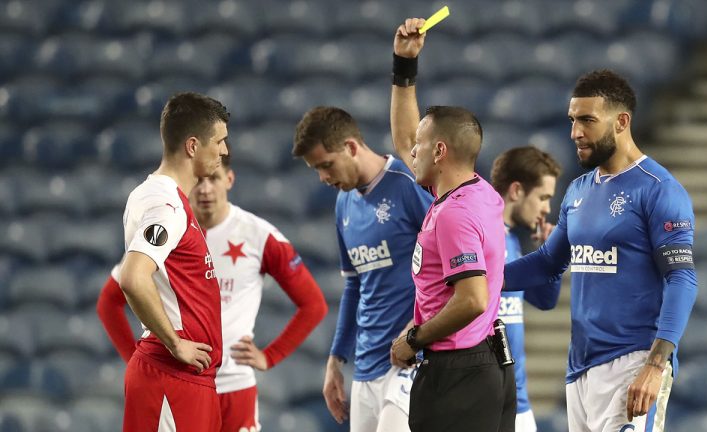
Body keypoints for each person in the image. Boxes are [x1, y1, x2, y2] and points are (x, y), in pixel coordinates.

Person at [503, 70, 698, 432]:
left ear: (621, 122)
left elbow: (682, 279)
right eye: (573, 120)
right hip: (580, 370)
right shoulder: (578, 191)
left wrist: (656, 365)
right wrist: (478, 279)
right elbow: (547, 262)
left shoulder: (659, 190)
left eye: (587, 120)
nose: (576, 132)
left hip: (634, 363)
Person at [98, 154, 329, 431]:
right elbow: (109, 302)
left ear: (229, 180)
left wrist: (270, 355)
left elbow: (314, 304)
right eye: (200, 181)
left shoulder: (258, 234)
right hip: (179, 379)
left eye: (215, 179)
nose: (206, 189)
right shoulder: (170, 228)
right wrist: (135, 357)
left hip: (234, 387)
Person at [388, 18, 515, 432]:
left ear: (440, 151)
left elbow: (472, 298)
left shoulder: (455, 213)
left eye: (421, 148)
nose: (411, 152)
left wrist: (414, 337)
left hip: (457, 375)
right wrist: (404, 67)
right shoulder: (476, 193)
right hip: (484, 365)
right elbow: (409, 138)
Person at [292, 106, 433, 432]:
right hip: (366, 365)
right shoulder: (344, 203)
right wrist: (336, 359)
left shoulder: (408, 184)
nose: (324, 178)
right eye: (316, 170)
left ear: (352, 146)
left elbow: (445, 266)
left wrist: (417, 329)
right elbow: (355, 286)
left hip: (411, 359)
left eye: (326, 165)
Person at [118, 92, 229, 431]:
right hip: (171, 380)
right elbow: (133, 277)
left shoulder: (154, 196)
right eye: (220, 141)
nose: (224, 151)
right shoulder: (167, 207)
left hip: (186, 382)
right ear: (193, 145)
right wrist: (174, 342)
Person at [490, 147, 563, 432]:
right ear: (517, 190)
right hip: (486, 403)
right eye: (543, 197)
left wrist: (550, 256)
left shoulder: (512, 241)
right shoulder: (481, 237)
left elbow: (544, 300)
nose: (546, 208)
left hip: (518, 403)